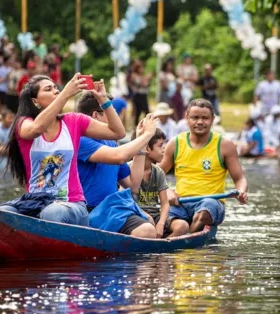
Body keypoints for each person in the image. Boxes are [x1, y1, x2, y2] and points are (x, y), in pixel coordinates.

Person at [0, 74, 127, 226]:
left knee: (52, 212)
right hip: (34, 202)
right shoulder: (24, 123)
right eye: (48, 89)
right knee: (1, 213)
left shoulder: (74, 120)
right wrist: (66, 93)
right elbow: (36, 129)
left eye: (56, 88)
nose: (56, 91)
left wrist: (103, 100)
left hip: (71, 204)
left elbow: (118, 132)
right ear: (35, 101)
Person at [159, 99, 249, 235]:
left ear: (212, 120)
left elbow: (239, 178)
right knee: (161, 216)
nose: (200, 122)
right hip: (180, 203)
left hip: (211, 203)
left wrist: (241, 191)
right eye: (195, 117)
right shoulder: (175, 143)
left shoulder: (225, 145)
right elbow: (156, 175)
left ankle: (185, 239)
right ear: (187, 118)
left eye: (205, 118)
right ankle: (172, 239)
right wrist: (167, 192)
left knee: (205, 210)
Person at [75, 91, 160, 211]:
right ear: (96, 115)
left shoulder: (111, 144)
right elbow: (119, 156)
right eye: (112, 112)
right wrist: (147, 134)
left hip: (110, 209)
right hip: (87, 210)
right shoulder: (80, 141)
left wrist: (142, 142)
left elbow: (133, 185)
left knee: (149, 222)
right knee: (146, 229)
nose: (117, 117)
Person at [129, 128, 175, 237]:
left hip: (155, 215)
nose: (164, 150)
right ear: (147, 149)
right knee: (147, 230)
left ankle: (161, 247)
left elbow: (165, 203)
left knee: (182, 226)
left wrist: (161, 223)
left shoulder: (158, 171)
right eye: (160, 146)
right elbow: (125, 202)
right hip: (135, 216)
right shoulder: (127, 169)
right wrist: (147, 217)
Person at [128, 60, 151, 126]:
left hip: (144, 95)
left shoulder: (142, 76)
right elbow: (141, 83)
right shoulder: (134, 75)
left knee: (146, 111)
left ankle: (147, 125)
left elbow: (147, 84)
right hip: (138, 95)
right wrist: (147, 79)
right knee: (138, 112)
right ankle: (136, 126)